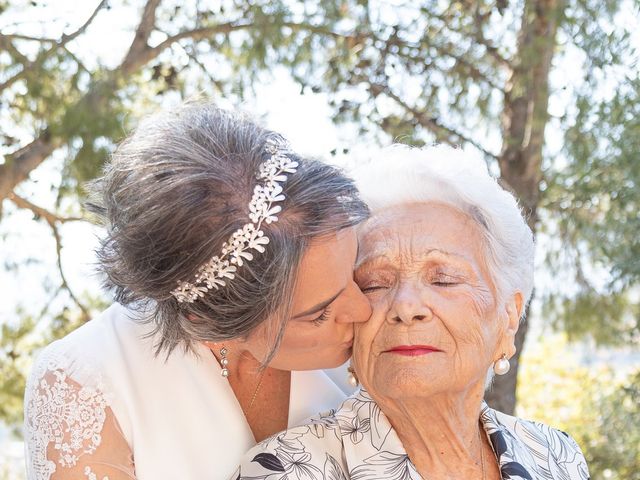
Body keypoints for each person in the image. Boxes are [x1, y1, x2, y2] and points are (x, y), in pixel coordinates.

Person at [23, 103, 372, 480]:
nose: (365, 308)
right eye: (319, 313)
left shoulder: (391, 313)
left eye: (356, 269)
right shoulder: (84, 382)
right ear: (210, 324)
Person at [234, 145, 590, 480]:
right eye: (374, 284)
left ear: (509, 316)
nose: (405, 306)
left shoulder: (556, 453)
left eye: (444, 279)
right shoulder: (285, 469)